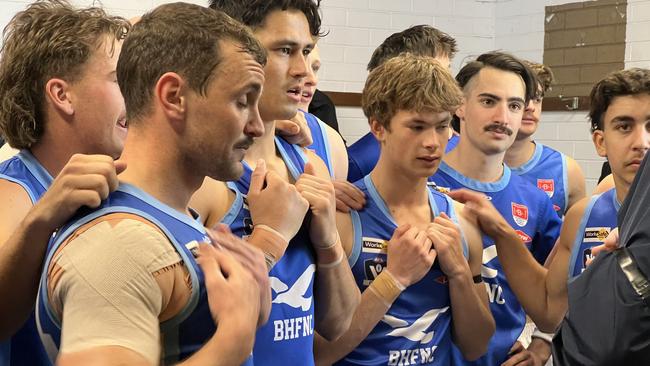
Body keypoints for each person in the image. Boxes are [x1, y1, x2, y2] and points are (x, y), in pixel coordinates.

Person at [36, 4, 271, 364]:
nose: (256, 127)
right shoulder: (119, 244)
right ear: (174, 97)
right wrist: (233, 339)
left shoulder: (169, 218)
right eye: (242, 101)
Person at [197, 1, 360, 365]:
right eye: (285, 51)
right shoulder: (204, 180)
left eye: (306, 51)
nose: (304, 71)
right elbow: (178, 322)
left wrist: (329, 242)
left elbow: (337, 325)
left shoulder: (312, 165)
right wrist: (272, 235)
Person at [313, 54, 495, 366]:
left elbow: (476, 346)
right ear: (378, 127)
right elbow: (318, 354)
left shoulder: (461, 221)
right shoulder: (341, 218)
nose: (432, 142)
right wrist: (394, 278)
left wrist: (460, 274)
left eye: (441, 126)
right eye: (417, 126)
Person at [450, 67, 650, 331]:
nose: (642, 142)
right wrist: (502, 232)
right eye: (624, 126)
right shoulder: (584, 216)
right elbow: (547, 312)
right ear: (600, 142)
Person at [0, 2, 130, 364]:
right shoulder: (14, 191)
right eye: (121, 80)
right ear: (62, 95)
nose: (136, 95)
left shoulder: (122, 182)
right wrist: (41, 221)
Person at [430, 51, 562, 366]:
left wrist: (543, 345)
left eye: (514, 105)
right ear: (459, 105)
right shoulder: (421, 177)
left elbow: (557, 295)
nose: (503, 118)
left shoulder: (536, 203)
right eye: (489, 101)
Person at [346, 25, 459, 184]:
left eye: (447, 72)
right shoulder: (361, 161)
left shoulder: (463, 149)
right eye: (436, 74)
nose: (447, 83)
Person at [504, 61, 585, 216]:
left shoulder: (566, 171)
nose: (531, 107)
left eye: (537, 99)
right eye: (522, 98)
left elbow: (576, 237)